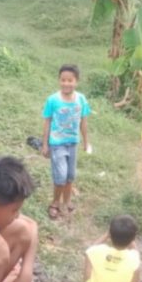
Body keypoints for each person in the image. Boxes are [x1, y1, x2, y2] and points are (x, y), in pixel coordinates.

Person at [41, 64, 91, 219]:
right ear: (59, 80)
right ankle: (55, 203)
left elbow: (84, 121)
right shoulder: (53, 100)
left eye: (70, 80)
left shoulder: (81, 99)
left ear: (76, 81)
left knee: (70, 176)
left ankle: (67, 201)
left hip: (73, 143)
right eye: (63, 80)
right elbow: (47, 122)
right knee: (60, 176)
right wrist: (45, 144)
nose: (66, 83)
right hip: (57, 144)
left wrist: (86, 142)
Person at [84, 215, 141, 282]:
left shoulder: (97, 251)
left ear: (110, 234)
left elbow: (90, 249)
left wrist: (106, 235)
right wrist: (132, 239)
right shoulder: (134, 257)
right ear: (134, 238)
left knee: (89, 265)